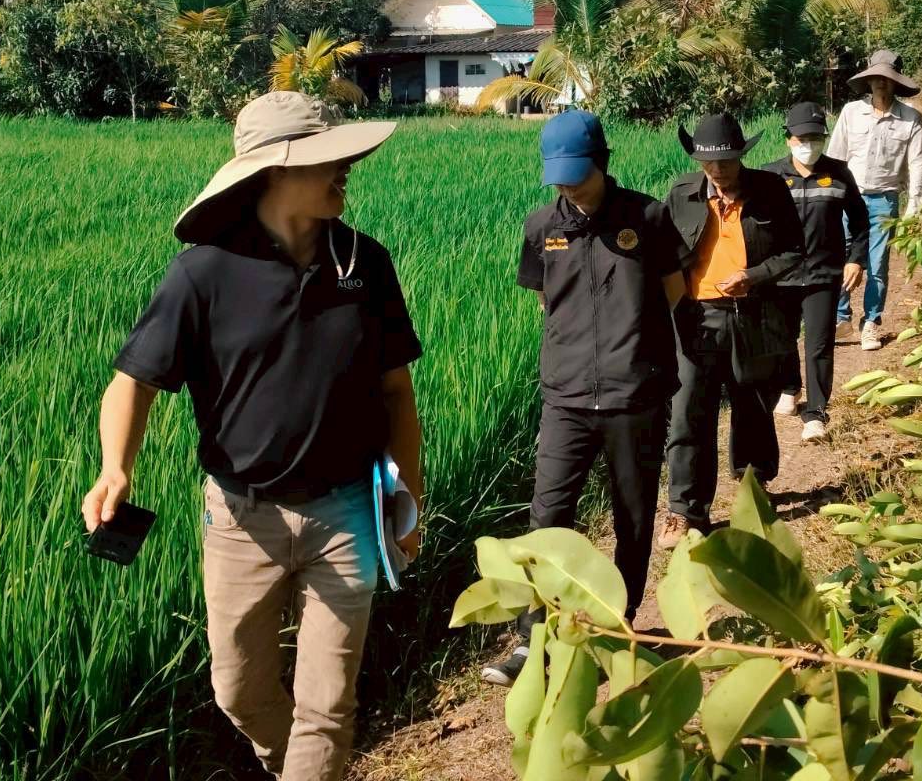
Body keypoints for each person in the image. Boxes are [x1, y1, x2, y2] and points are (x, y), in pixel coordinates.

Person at [80, 92, 424, 781]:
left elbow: (396, 393)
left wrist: (408, 497)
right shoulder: (203, 274)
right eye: (326, 161)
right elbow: (134, 382)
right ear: (272, 173)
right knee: (238, 692)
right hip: (241, 519)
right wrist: (115, 468)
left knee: (327, 706)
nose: (345, 170)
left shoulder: (366, 264)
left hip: (348, 512)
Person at [481, 110, 685, 686]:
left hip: (633, 396)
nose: (568, 185)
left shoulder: (647, 216)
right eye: (559, 176)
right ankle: (533, 639)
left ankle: (615, 625)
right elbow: (548, 300)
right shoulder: (539, 225)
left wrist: (631, 346)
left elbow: (673, 291)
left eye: (577, 173)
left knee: (634, 514)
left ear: (602, 160)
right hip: (566, 396)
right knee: (547, 516)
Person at [658, 113, 803, 550]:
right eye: (709, 163)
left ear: (742, 156)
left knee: (753, 405)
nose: (718, 171)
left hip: (752, 314)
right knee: (687, 414)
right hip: (697, 318)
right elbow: (663, 257)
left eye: (726, 162)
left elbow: (794, 251)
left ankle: (753, 497)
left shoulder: (771, 191)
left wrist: (755, 275)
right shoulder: (681, 194)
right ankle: (686, 511)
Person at [765, 102, 870, 442]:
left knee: (819, 344)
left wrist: (855, 259)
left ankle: (816, 412)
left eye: (815, 137)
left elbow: (859, 221)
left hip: (825, 272)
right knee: (782, 339)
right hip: (781, 275)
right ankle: (791, 387)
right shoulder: (770, 177)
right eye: (801, 138)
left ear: (823, 138)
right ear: (788, 140)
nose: (808, 144)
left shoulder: (839, 174)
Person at [827, 49, 922, 351]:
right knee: (841, 257)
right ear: (868, 80)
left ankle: (871, 322)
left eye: (887, 78)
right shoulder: (850, 113)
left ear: (896, 82)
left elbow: (918, 165)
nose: (881, 83)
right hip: (849, 197)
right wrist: (830, 198)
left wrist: (914, 209)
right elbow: (836, 157)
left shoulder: (911, 119)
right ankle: (840, 318)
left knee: (878, 264)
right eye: (876, 78)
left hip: (884, 200)